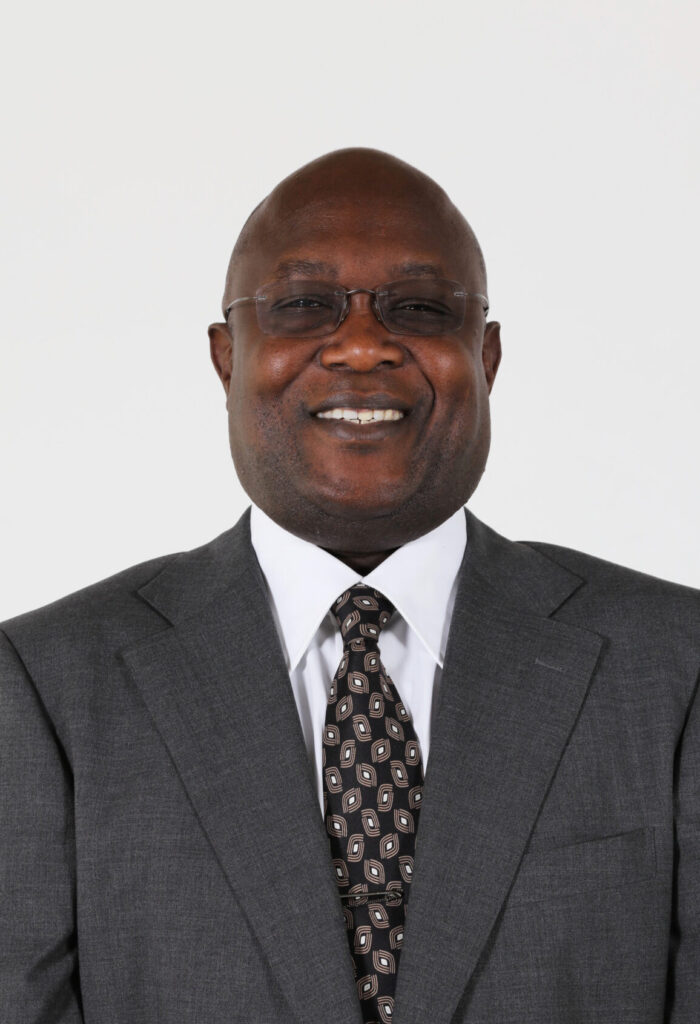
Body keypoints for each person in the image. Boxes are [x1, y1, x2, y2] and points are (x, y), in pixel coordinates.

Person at [1, 148, 698, 1024]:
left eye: (420, 308)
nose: (363, 345)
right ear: (227, 357)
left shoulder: (674, 667)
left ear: (486, 357)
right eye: (303, 305)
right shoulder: (48, 685)